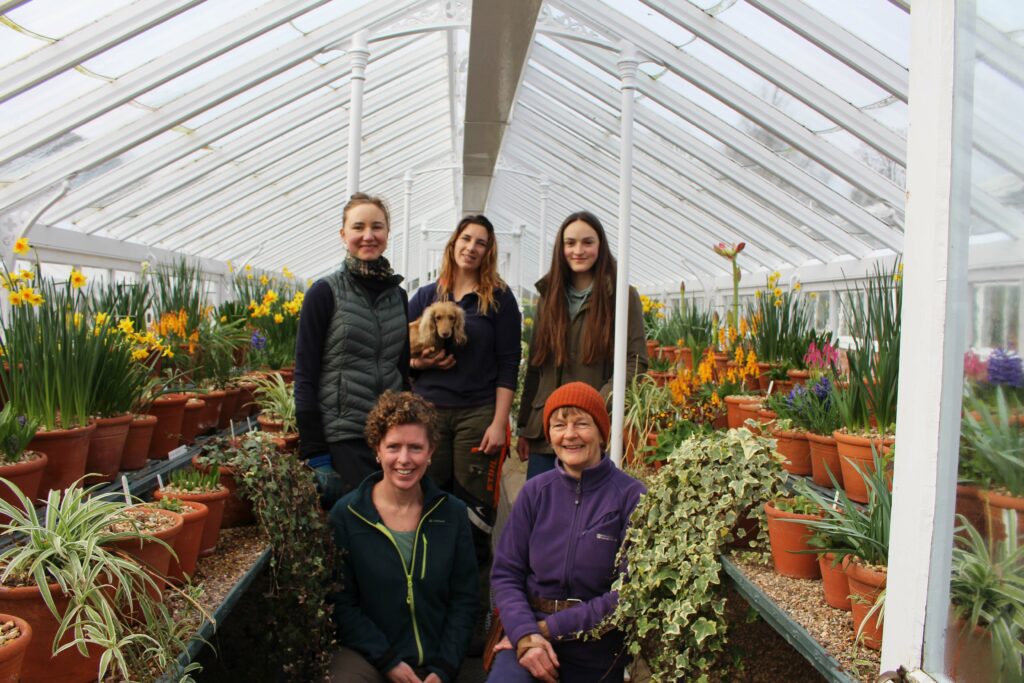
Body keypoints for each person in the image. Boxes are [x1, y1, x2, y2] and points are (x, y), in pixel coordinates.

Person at [489, 382, 646, 683]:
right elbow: (506, 573)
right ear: (549, 436)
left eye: (582, 423)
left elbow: (628, 592)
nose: (570, 434)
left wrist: (547, 629)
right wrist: (525, 635)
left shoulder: (630, 497)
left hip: (596, 645)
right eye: (559, 425)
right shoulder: (535, 492)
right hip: (529, 635)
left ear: (602, 432)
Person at [329, 391, 478, 683]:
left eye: (415, 447)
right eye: (393, 447)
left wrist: (445, 668)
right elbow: (340, 603)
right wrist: (388, 661)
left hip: (435, 662)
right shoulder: (347, 515)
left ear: (431, 451)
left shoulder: (452, 514)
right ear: (377, 449)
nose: (404, 459)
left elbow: (465, 600)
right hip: (369, 658)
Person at [408, 214, 521, 554]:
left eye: (481, 242)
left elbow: (509, 362)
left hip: (478, 415)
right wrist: (418, 362)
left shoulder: (499, 299)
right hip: (429, 414)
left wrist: (500, 422)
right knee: (429, 502)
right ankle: (429, 594)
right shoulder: (426, 295)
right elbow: (396, 351)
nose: (471, 247)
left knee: (475, 511)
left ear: (489, 251)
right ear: (454, 242)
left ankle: (473, 602)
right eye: (466, 239)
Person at [295, 193, 410, 508]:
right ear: (343, 235)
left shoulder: (398, 298)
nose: (369, 235)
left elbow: (402, 371)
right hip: (343, 438)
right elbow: (304, 375)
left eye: (378, 227)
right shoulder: (324, 293)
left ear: (387, 235)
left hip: (389, 437)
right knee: (354, 531)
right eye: (358, 227)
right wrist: (316, 453)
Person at [516, 211, 647, 479]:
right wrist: (524, 428)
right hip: (545, 429)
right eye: (570, 243)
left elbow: (636, 360)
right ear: (560, 248)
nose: (578, 250)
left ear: (600, 246)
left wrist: (596, 402)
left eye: (587, 242)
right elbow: (535, 366)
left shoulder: (621, 296)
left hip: (593, 429)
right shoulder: (548, 297)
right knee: (543, 509)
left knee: (589, 510)